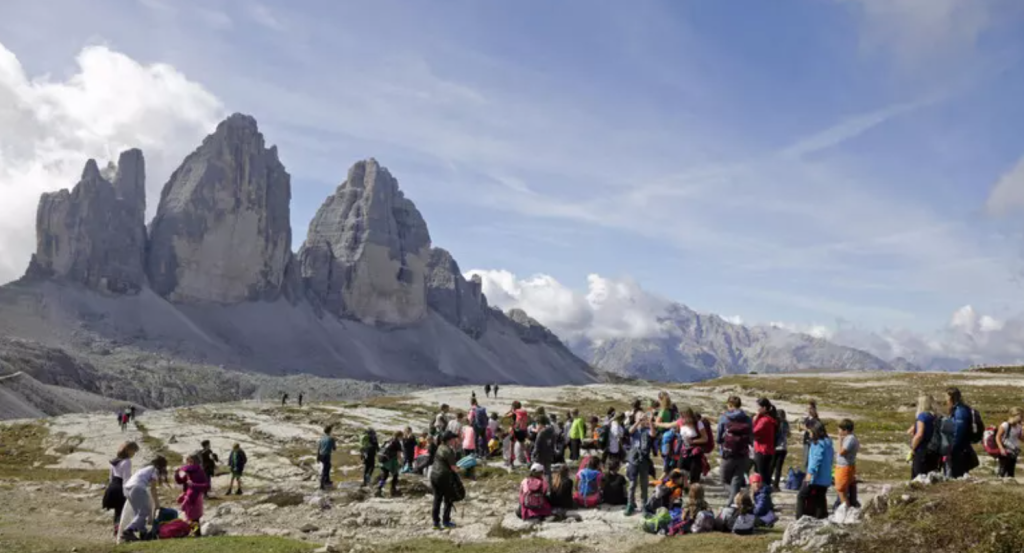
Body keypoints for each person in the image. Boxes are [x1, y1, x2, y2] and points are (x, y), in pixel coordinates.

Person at [120, 456, 168, 542]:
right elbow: (153, 488)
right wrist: (156, 503)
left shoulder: (146, 468)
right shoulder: (154, 470)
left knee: (138, 513)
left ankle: (143, 533)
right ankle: (128, 531)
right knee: (145, 511)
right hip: (137, 487)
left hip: (128, 488)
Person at [717, 396, 753, 501]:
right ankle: (735, 504)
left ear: (730, 405)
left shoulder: (724, 418)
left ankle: (736, 500)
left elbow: (719, 436)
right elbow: (751, 436)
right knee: (737, 480)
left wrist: (721, 443)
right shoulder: (747, 419)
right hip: (743, 453)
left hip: (728, 453)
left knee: (723, 480)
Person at [796, 419, 833, 520]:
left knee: (801, 496)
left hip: (816, 478)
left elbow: (816, 460)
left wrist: (809, 474)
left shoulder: (818, 443)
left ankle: (799, 519)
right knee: (819, 499)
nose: (809, 434)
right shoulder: (828, 442)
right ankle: (820, 517)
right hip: (825, 477)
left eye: (810, 431)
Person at [102, 441, 139, 539]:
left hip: (112, 487)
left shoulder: (114, 461)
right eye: (133, 452)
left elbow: (110, 477)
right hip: (120, 488)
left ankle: (116, 530)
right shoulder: (127, 462)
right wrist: (127, 493)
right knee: (124, 511)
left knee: (117, 511)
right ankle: (124, 532)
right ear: (129, 450)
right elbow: (126, 479)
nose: (134, 454)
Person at [430, 431, 462, 530]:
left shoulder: (439, 447)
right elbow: (453, 467)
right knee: (448, 499)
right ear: (449, 440)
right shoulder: (449, 451)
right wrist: (461, 469)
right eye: (453, 439)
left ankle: (436, 523)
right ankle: (446, 521)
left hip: (433, 475)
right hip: (443, 477)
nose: (454, 440)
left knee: (437, 499)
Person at [625, 412, 656, 516]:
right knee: (632, 484)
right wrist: (638, 421)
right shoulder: (634, 429)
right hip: (633, 459)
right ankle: (630, 504)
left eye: (643, 417)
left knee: (644, 484)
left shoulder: (647, 430)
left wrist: (650, 421)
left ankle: (644, 506)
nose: (642, 419)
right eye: (640, 417)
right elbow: (629, 431)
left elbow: (653, 434)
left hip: (644, 460)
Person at [175, 453, 210, 536]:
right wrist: (176, 474)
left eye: (191, 461)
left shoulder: (199, 471)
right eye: (188, 461)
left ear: (196, 461)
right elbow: (180, 481)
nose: (189, 463)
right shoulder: (187, 471)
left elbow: (206, 485)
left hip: (196, 497)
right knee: (190, 517)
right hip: (189, 496)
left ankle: (197, 534)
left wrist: (193, 485)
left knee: (194, 518)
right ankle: (196, 534)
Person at [947, 387, 977, 478]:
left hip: (959, 450)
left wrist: (952, 449)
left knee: (957, 474)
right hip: (962, 448)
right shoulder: (960, 409)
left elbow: (959, 433)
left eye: (946, 398)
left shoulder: (960, 412)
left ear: (951, 398)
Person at [908, 394, 940, 478]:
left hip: (922, 452)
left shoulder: (922, 417)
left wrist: (912, 447)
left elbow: (919, 434)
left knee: (918, 478)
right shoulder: (935, 417)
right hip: (934, 452)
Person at [753, 398, 778, 487]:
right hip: (766, 450)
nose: (757, 409)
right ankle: (765, 494)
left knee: (762, 475)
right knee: (764, 474)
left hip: (762, 450)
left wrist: (754, 420)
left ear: (764, 408)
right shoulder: (767, 419)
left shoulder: (764, 420)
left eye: (758, 407)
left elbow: (754, 431)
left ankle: (764, 495)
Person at [836, 419, 859, 509]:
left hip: (844, 467)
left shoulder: (850, 439)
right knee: (845, 490)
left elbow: (841, 451)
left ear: (845, 430)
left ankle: (846, 510)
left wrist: (839, 440)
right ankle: (847, 508)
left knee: (841, 490)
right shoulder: (850, 438)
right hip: (845, 466)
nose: (838, 432)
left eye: (840, 429)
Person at [995, 407, 1023, 478]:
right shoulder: (1005, 425)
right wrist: (1001, 449)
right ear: (1014, 415)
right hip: (1005, 451)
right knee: (1002, 470)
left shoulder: (1019, 426)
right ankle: (999, 484)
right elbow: (997, 437)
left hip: (1014, 451)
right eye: (1020, 416)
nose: (1022, 418)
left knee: (1011, 472)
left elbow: (1021, 438)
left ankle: (1008, 484)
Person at [376, 431, 403, 498]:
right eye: (401, 437)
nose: (402, 438)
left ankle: (379, 488)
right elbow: (398, 454)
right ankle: (393, 489)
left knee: (385, 475)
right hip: (390, 461)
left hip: (382, 459)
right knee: (395, 475)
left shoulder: (388, 440)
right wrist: (401, 462)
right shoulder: (397, 442)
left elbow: (381, 449)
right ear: (399, 436)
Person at [532, 415, 556, 487]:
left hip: (540, 456)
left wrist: (532, 456)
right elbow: (553, 444)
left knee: (539, 472)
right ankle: (549, 488)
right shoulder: (552, 431)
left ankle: (540, 487)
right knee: (548, 472)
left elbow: (536, 447)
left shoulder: (541, 434)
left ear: (540, 423)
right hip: (549, 454)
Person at [771, 410, 791, 490]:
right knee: (778, 468)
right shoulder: (786, 423)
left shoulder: (775, 423)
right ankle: (776, 485)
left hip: (775, 447)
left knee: (771, 466)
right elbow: (788, 434)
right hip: (783, 448)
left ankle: (768, 483)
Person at [318, 425, 337, 491]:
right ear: (330, 431)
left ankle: (327, 480)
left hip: (321, 455)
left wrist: (317, 457)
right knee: (325, 469)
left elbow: (319, 448)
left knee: (327, 466)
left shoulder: (321, 438)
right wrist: (334, 442)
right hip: (327, 455)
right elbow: (334, 448)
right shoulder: (331, 438)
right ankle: (322, 485)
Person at [802, 400, 820, 471]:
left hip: (813, 442)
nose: (809, 410)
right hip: (806, 441)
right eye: (808, 408)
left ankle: (809, 477)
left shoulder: (816, 420)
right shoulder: (806, 419)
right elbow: (802, 428)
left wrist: (806, 429)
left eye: (811, 408)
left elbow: (814, 431)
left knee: (811, 460)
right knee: (805, 460)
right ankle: (806, 476)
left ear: (814, 409)